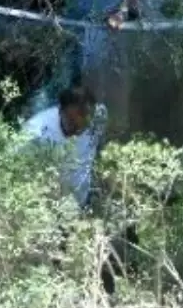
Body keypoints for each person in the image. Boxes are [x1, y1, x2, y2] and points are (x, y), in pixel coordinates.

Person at [21, 82, 138, 294]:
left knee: (111, 240)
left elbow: (102, 142)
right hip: (50, 207)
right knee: (56, 258)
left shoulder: (98, 117)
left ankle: (115, 290)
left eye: (85, 120)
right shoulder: (35, 132)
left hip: (84, 199)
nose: (79, 127)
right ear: (61, 111)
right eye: (73, 120)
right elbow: (15, 170)